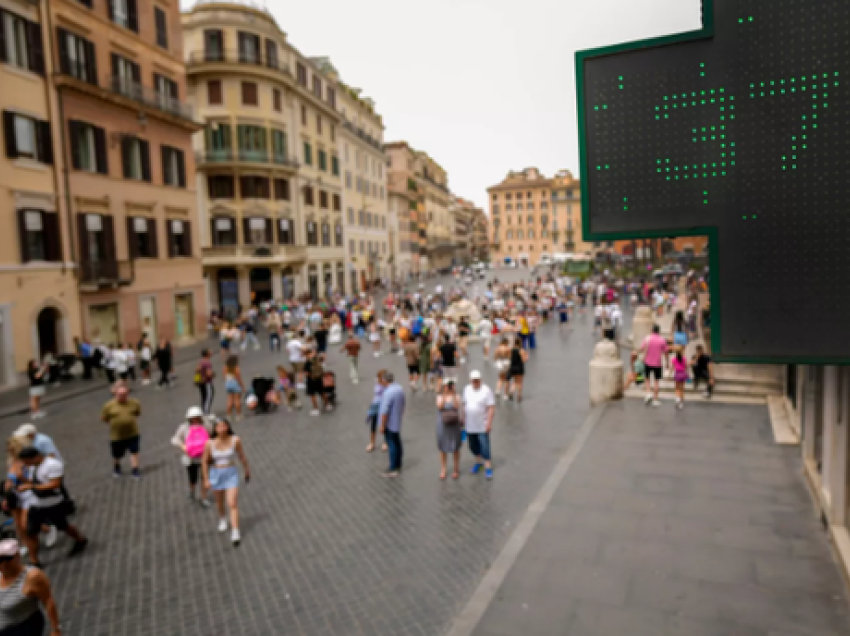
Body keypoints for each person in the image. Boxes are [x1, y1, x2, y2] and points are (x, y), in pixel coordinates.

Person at [17, 447, 88, 567]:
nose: (25, 464)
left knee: (63, 526)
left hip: (53, 504)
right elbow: (33, 481)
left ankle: (81, 540)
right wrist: (22, 480)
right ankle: (35, 561)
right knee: (31, 532)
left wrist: (31, 487)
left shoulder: (52, 465)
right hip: (36, 504)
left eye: (27, 461)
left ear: (35, 457)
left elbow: (55, 484)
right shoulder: (33, 466)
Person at [202, 418, 250, 547]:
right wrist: (206, 479)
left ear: (228, 427)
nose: (222, 429)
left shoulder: (235, 440)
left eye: (224, 426)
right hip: (216, 474)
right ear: (215, 429)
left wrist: (246, 469)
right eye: (219, 427)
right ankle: (223, 518)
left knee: (232, 502)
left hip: (231, 473)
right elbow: (204, 461)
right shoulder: (209, 444)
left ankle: (235, 531)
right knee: (220, 501)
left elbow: (241, 455)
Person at [0, 539, 62, 635]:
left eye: (8, 558)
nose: (3, 564)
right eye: (0, 560)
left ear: (18, 556)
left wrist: (56, 629)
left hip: (22, 628)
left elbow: (48, 601)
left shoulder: (32, 577)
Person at [171, 406, 211, 506]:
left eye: (197, 417)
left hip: (204, 457)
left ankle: (203, 497)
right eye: (193, 418)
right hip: (191, 458)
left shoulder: (206, 425)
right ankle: (192, 491)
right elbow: (175, 439)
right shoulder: (184, 427)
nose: (195, 419)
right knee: (192, 477)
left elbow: (211, 436)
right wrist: (182, 446)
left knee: (204, 477)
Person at [101, 385, 142, 478]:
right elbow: (104, 418)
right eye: (120, 394)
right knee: (117, 454)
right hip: (117, 436)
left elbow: (137, 413)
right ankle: (117, 466)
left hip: (133, 433)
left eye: (124, 394)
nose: (122, 396)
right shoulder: (108, 405)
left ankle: (135, 469)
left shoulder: (135, 403)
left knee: (134, 452)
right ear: (115, 394)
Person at [464, 370, 496, 479]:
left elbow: (491, 407)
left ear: (480, 380)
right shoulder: (467, 389)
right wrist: (462, 418)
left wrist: (489, 423)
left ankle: (488, 466)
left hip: (482, 424)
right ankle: (478, 462)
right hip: (470, 424)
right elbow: (465, 405)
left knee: (485, 446)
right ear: (470, 381)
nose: (475, 383)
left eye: (477, 381)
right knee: (472, 445)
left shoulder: (486, 390)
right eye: (473, 381)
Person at [378, 372, 406, 477]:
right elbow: (403, 404)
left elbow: (385, 412)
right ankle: (398, 464)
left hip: (389, 423)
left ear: (384, 380)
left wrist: (382, 425)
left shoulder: (388, 392)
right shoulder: (399, 388)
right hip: (397, 421)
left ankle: (393, 468)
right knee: (397, 442)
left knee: (392, 444)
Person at [436, 379, 464, 480]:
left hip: (454, 424)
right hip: (442, 425)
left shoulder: (456, 396)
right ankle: (443, 469)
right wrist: (444, 394)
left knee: (455, 447)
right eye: (447, 385)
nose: (449, 387)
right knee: (442, 447)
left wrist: (454, 393)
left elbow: (456, 406)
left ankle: (456, 469)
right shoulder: (439, 396)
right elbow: (440, 406)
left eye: (451, 385)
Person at [639, 325, 669, 407]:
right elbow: (666, 352)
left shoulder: (647, 338)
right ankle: (655, 399)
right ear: (658, 331)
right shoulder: (662, 340)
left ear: (652, 330)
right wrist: (667, 363)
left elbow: (641, 348)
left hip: (647, 362)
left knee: (647, 379)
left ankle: (648, 393)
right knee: (656, 381)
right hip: (658, 364)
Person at [304, 351, 328, 415]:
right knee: (322, 392)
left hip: (311, 380)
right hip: (319, 379)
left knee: (312, 395)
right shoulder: (318, 360)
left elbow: (306, 373)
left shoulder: (308, 363)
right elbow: (323, 363)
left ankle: (316, 409)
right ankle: (327, 405)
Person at [223, 356, 245, 421]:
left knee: (229, 400)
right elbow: (238, 378)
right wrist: (242, 386)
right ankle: (239, 415)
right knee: (237, 400)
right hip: (235, 383)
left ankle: (228, 415)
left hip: (227, 383)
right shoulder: (236, 368)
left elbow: (224, 376)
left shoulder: (225, 367)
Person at [508, 337, 529, 402]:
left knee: (515, 381)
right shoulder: (521, 350)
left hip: (513, 367)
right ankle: (519, 396)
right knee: (519, 382)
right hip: (519, 367)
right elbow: (524, 360)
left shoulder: (511, 350)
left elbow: (509, 358)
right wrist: (527, 355)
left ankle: (511, 391)